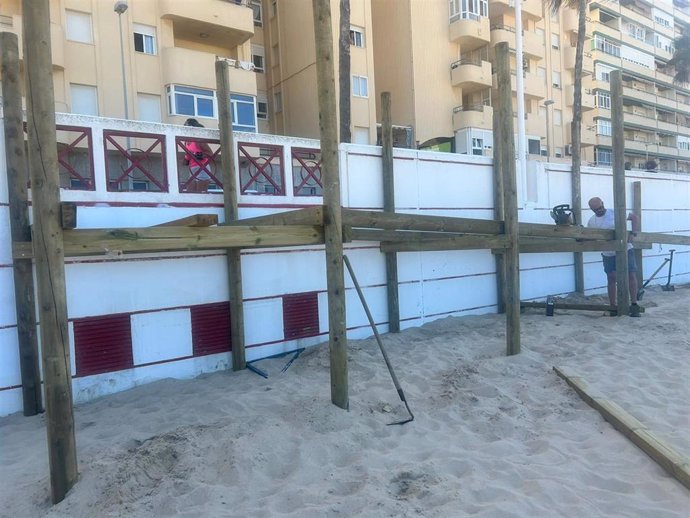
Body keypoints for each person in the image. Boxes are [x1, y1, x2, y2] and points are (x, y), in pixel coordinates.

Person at [587, 197, 641, 317]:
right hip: (608, 252)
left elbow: (634, 217)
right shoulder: (592, 221)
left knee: (631, 274)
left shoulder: (615, 213)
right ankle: (613, 306)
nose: (599, 210)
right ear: (591, 209)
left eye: (600, 207)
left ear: (603, 203)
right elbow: (589, 235)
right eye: (596, 209)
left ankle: (634, 304)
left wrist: (634, 232)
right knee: (611, 278)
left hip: (625, 248)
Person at [183, 118, 213, 193]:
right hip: (192, 169)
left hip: (202, 168)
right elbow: (188, 155)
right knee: (190, 193)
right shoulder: (186, 142)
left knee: (201, 194)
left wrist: (200, 155)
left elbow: (210, 153)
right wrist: (186, 159)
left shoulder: (198, 140)